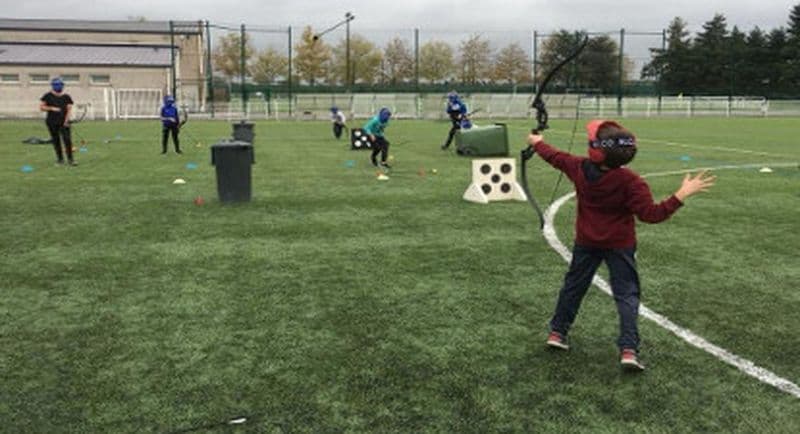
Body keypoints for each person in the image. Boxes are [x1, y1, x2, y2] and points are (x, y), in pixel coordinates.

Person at [527, 119, 715, 371]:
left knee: (573, 287)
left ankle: (557, 333)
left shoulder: (579, 167)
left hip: (586, 241)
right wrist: (681, 194)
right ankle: (628, 349)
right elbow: (651, 214)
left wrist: (537, 142)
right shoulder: (631, 181)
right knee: (627, 294)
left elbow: (553, 156)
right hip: (620, 245)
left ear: (596, 150)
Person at [39, 77, 77, 166]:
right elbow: (42, 107)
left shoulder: (66, 97)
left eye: (60, 85)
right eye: (56, 85)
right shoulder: (47, 96)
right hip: (51, 122)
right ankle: (60, 160)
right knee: (56, 141)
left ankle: (71, 160)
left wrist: (67, 120)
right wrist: (51, 108)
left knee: (67, 140)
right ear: (53, 86)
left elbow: (69, 109)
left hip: (64, 122)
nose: (59, 87)